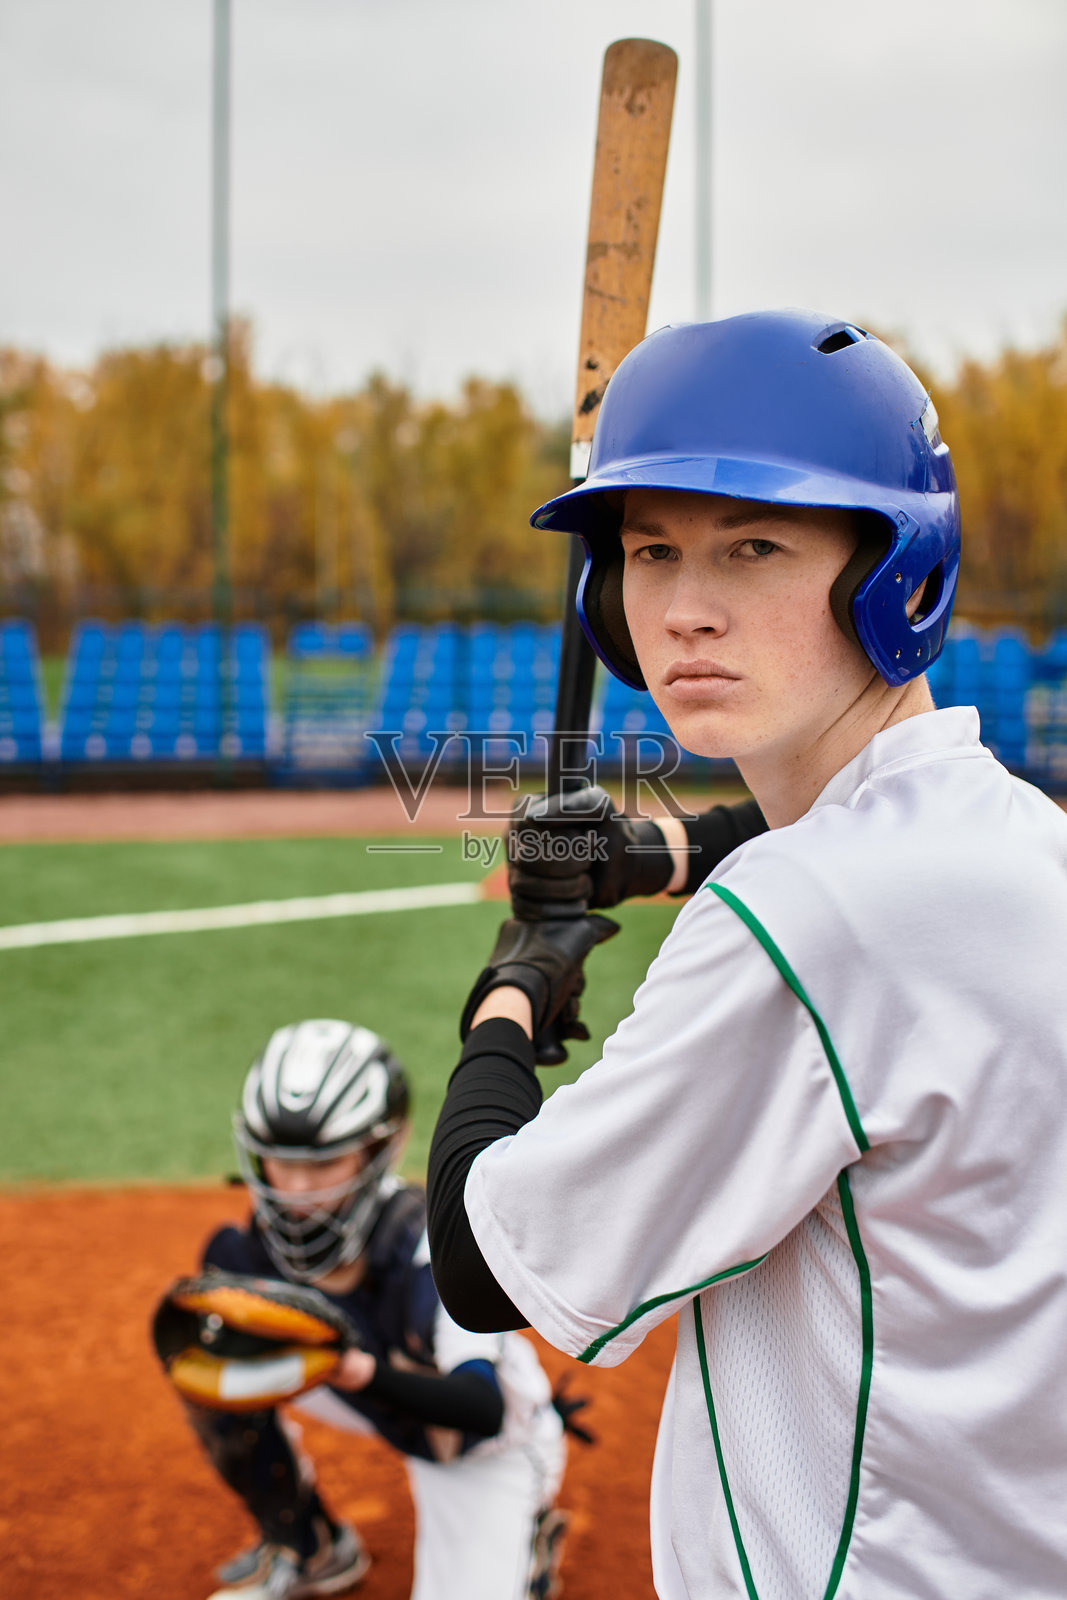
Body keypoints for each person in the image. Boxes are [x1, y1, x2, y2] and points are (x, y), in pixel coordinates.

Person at [427, 309, 1067, 1599]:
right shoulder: (1011, 832)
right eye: (650, 551)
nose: (686, 611)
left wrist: (512, 991)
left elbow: (480, 1260)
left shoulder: (800, 919)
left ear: (893, 570)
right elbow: (828, 837)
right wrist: (638, 855)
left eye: (752, 546)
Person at [175, 1018, 569, 1600]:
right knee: (210, 1354)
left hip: (474, 1443)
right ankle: (311, 1548)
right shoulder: (251, 1249)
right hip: (365, 1389)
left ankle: (526, 1527)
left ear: (377, 1152)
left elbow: (481, 1407)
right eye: (280, 1161)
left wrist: (354, 1371)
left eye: (323, 1163)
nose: (296, 1189)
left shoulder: (432, 1249)